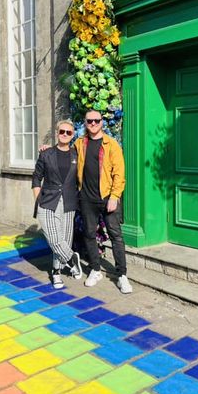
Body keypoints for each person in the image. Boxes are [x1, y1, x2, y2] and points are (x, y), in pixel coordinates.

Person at [75, 109, 132, 294]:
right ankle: (96, 269)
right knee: (90, 234)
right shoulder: (80, 143)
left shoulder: (111, 144)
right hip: (87, 198)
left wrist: (115, 196)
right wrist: (46, 150)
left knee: (116, 235)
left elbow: (119, 173)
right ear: (85, 122)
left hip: (108, 197)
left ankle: (122, 275)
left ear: (102, 122)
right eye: (89, 121)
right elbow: (63, 149)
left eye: (96, 120)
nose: (93, 124)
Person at [32, 120, 83, 289]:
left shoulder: (77, 155)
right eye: (62, 131)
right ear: (57, 132)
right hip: (47, 201)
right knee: (53, 238)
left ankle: (56, 272)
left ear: (73, 135)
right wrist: (38, 199)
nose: (65, 135)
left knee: (64, 239)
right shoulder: (46, 154)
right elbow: (36, 177)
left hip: (69, 202)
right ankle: (71, 259)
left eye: (69, 132)